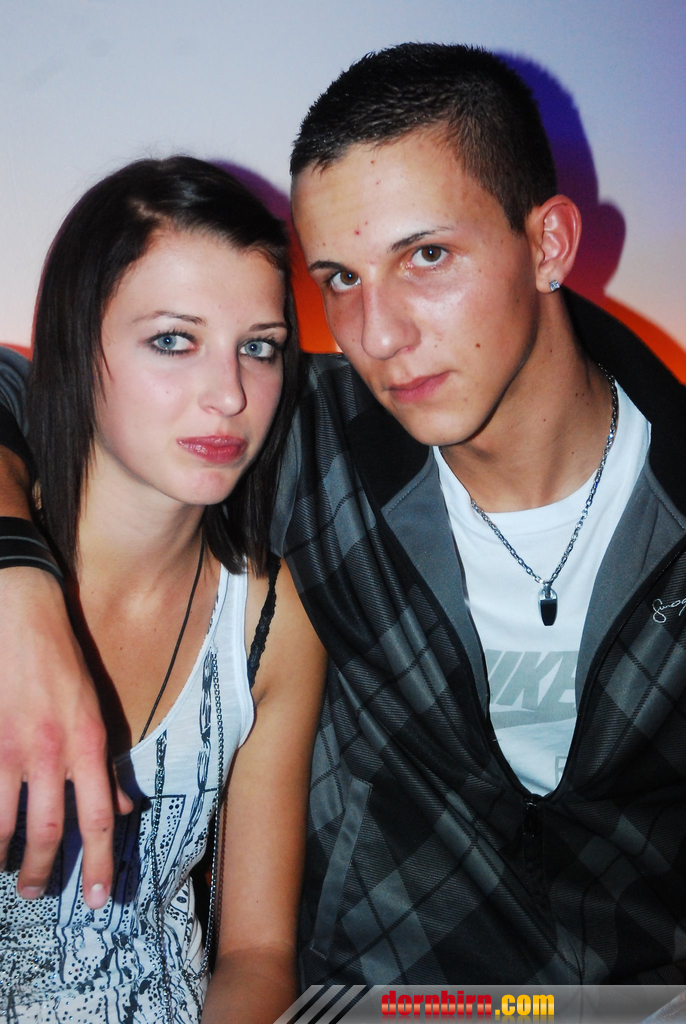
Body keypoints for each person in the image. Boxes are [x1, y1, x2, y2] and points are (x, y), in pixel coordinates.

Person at [1, 42, 685, 987]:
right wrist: (16, 578)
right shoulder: (298, 439)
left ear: (549, 245)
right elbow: (34, 387)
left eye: (427, 256)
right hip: (371, 994)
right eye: (340, 280)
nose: (379, 335)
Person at [0, 156, 325, 1021]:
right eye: (174, 340)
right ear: (78, 344)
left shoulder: (267, 620)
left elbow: (257, 953)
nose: (230, 395)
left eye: (259, 347)